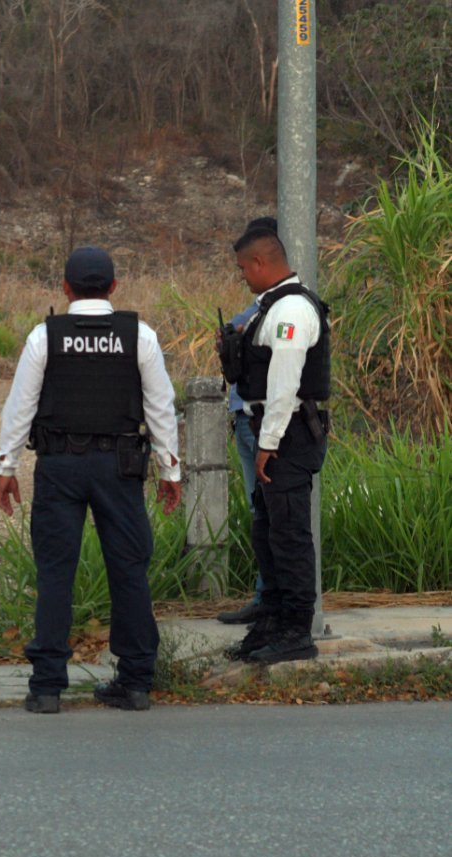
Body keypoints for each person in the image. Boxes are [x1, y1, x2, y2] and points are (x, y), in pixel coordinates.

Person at [0, 247, 182, 714]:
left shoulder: (45, 337)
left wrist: (6, 467)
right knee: (129, 569)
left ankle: (47, 688)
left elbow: (21, 407)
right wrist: (170, 470)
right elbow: (160, 407)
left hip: (59, 466)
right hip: (120, 467)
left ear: (65, 287)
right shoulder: (140, 336)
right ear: (114, 288)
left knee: (56, 572)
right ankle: (136, 682)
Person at [218, 226, 331, 665]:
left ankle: (297, 631)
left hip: (285, 436)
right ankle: (273, 622)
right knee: (268, 532)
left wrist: (268, 442)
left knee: (289, 535)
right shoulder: (274, 306)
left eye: (244, 268)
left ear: (261, 264)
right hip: (274, 431)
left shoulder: (290, 311)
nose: (243, 276)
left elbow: (284, 385)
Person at [216, 216, 279, 626]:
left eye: (243, 267)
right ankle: (268, 599)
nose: (241, 275)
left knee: (271, 514)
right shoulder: (254, 311)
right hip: (247, 418)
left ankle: (272, 603)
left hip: (261, 424)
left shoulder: (272, 309)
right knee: (265, 514)